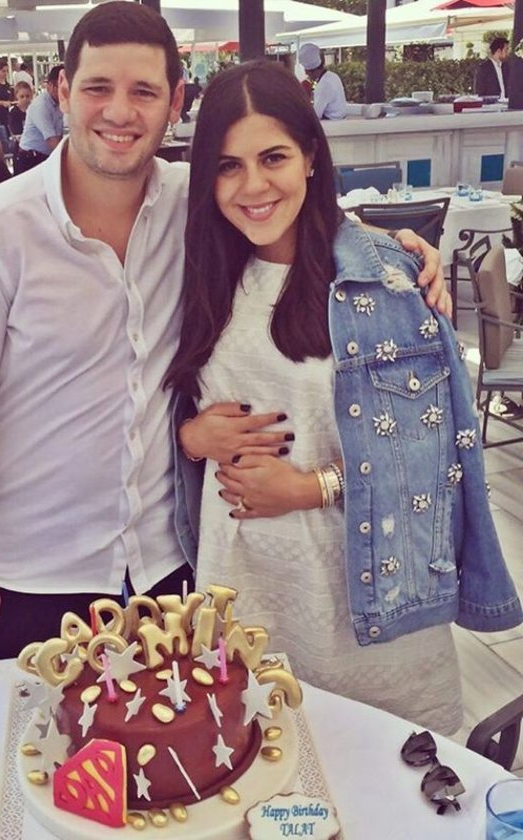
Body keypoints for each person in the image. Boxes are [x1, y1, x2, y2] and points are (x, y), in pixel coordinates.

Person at [0, 2, 449, 690]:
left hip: (169, 569)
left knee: (172, 746)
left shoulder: (192, 204)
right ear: (63, 90)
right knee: (39, 749)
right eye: (98, 87)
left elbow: (287, 206)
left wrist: (393, 249)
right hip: (35, 577)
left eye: (144, 91)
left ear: (174, 103)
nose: (119, 112)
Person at [165, 60, 522, 734]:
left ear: (310, 157)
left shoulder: (383, 281)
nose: (253, 186)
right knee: (259, 775)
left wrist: (309, 488)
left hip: (364, 600)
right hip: (242, 584)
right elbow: (161, 408)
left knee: (383, 776)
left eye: (273, 158)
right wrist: (190, 438)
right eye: (228, 166)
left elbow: (433, 457)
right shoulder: (199, 271)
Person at [14, 65, 64, 174]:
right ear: (50, 86)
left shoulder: (60, 103)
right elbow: (52, 140)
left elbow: (60, 135)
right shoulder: (41, 106)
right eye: (61, 86)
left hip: (46, 157)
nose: (65, 91)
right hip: (30, 159)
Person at [297, 42, 346, 121]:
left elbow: (315, 116)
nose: (306, 74)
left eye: (306, 71)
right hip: (340, 122)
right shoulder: (333, 76)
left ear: (310, 70)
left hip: (331, 124)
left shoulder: (323, 85)